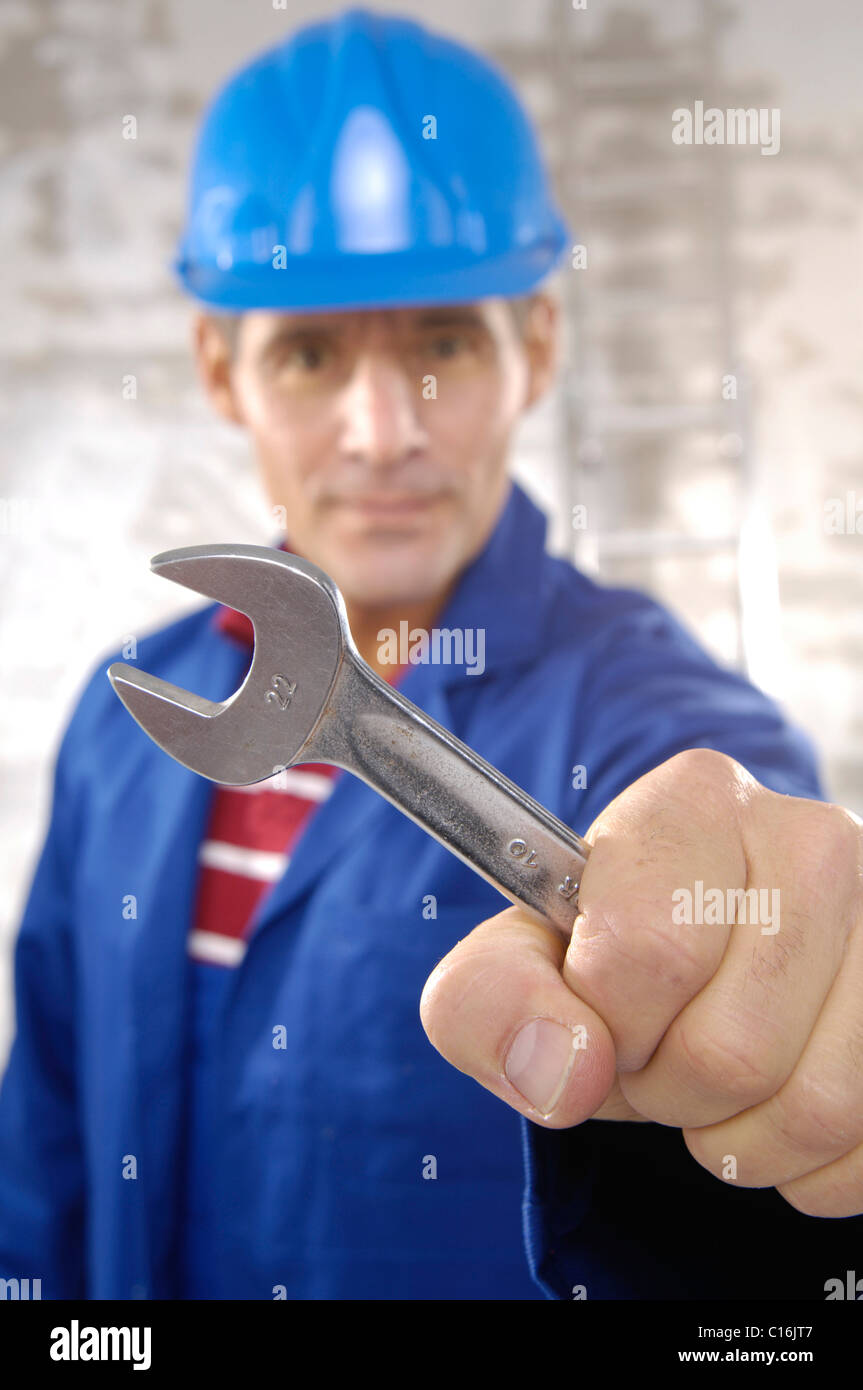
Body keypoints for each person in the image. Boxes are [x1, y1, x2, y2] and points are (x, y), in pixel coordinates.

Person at [1, 7, 861, 1302]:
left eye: (443, 344)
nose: (381, 430)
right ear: (223, 374)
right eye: (307, 353)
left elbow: (733, 877)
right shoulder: (116, 729)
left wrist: (782, 966)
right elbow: (44, 1162)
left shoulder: (651, 722)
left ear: (537, 352)